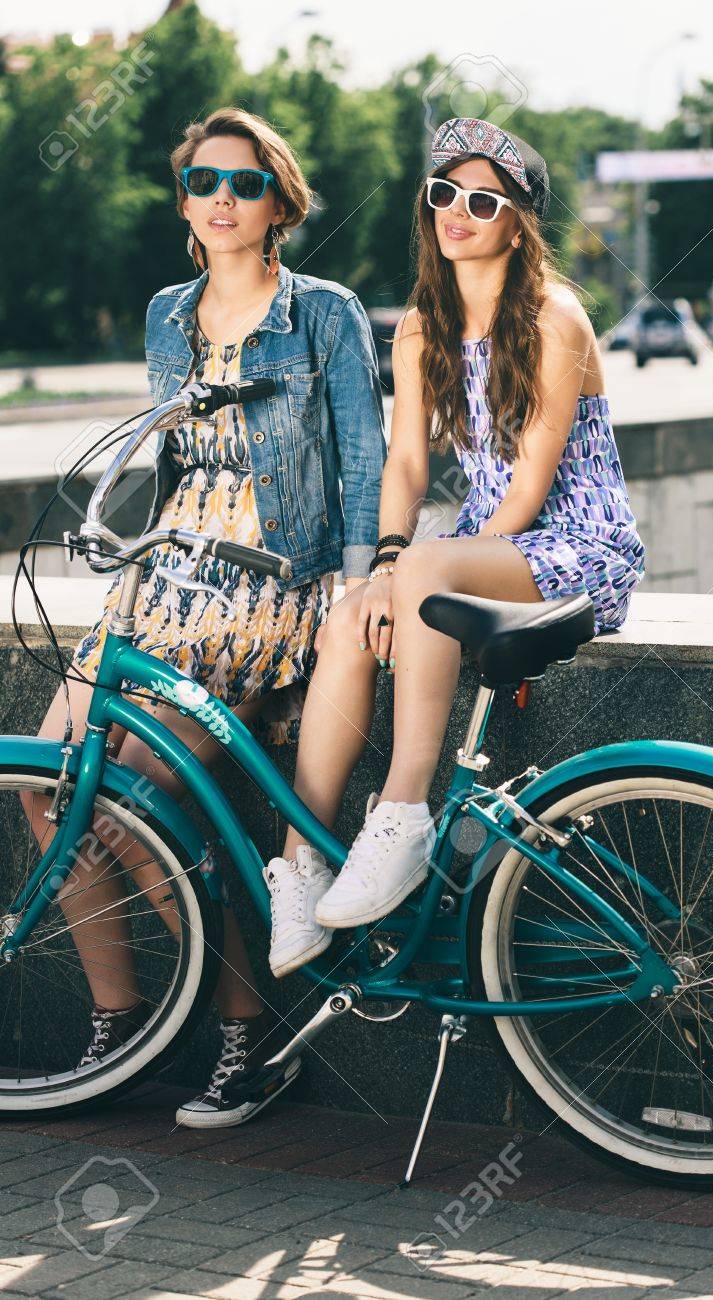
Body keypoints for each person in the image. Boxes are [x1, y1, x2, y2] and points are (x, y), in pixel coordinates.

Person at [28, 106, 386, 1128]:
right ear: (183, 199)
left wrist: (351, 587)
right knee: (49, 788)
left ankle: (246, 1036)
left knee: (152, 799)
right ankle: (120, 1023)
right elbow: (171, 452)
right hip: (163, 576)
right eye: (201, 182)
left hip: (265, 579)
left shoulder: (323, 311)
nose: (220, 200)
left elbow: (361, 458)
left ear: (278, 201)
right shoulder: (164, 313)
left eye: (242, 183)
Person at [260, 116, 645, 1017]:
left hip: (578, 546)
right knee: (352, 616)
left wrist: (423, 570)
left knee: (420, 574)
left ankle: (402, 816)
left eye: (484, 201)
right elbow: (405, 464)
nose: (458, 213)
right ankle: (302, 863)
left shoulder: (556, 314)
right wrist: (385, 566)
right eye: (444, 195)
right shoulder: (424, 326)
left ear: (518, 222)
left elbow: (534, 485)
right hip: (475, 550)